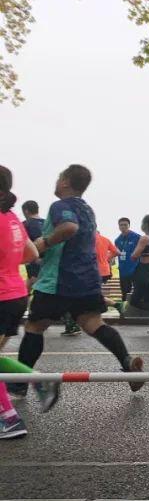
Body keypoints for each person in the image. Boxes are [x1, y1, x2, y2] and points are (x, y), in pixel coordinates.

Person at [9, 165, 145, 398]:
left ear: (65, 182)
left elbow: (69, 227)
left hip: (59, 281)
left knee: (34, 327)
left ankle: (20, 385)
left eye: (59, 176)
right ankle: (127, 361)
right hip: (88, 281)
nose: (56, 181)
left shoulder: (61, 206)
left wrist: (46, 242)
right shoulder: (88, 209)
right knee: (94, 324)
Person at [1, 167, 60, 438]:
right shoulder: (12, 218)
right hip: (15, 295)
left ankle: (9, 418)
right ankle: (38, 381)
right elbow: (31, 252)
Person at [113, 217, 140, 303]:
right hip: (123, 270)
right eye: (121, 225)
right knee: (124, 292)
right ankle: (124, 311)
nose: (123, 227)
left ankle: (138, 310)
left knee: (138, 290)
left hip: (136, 269)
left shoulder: (137, 237)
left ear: (129, 225)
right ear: (118, 226)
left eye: (125, 225)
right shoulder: (117, 240)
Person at [21, 200, 44, 293]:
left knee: (33, 281)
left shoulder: (25, 224)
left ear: (26, 211)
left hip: (33, 260)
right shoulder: (47, 223)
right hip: (48, 261)